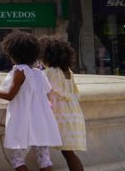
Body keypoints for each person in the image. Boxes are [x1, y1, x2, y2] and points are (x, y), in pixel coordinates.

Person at [0, 31, 61, 171]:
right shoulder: (39, 73)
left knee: (17, 160)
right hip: (41, 121)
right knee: (44, 160)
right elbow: (47, 93)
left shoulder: (20, 71)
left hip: (24, 122)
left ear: (13, 54)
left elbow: (9, 95)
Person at [39, 35, 86, 171]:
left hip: (61, 117)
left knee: (68, 152)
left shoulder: (49, 72)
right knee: (68, 152)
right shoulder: (67, 71)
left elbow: (41, 91)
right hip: (72, 114)